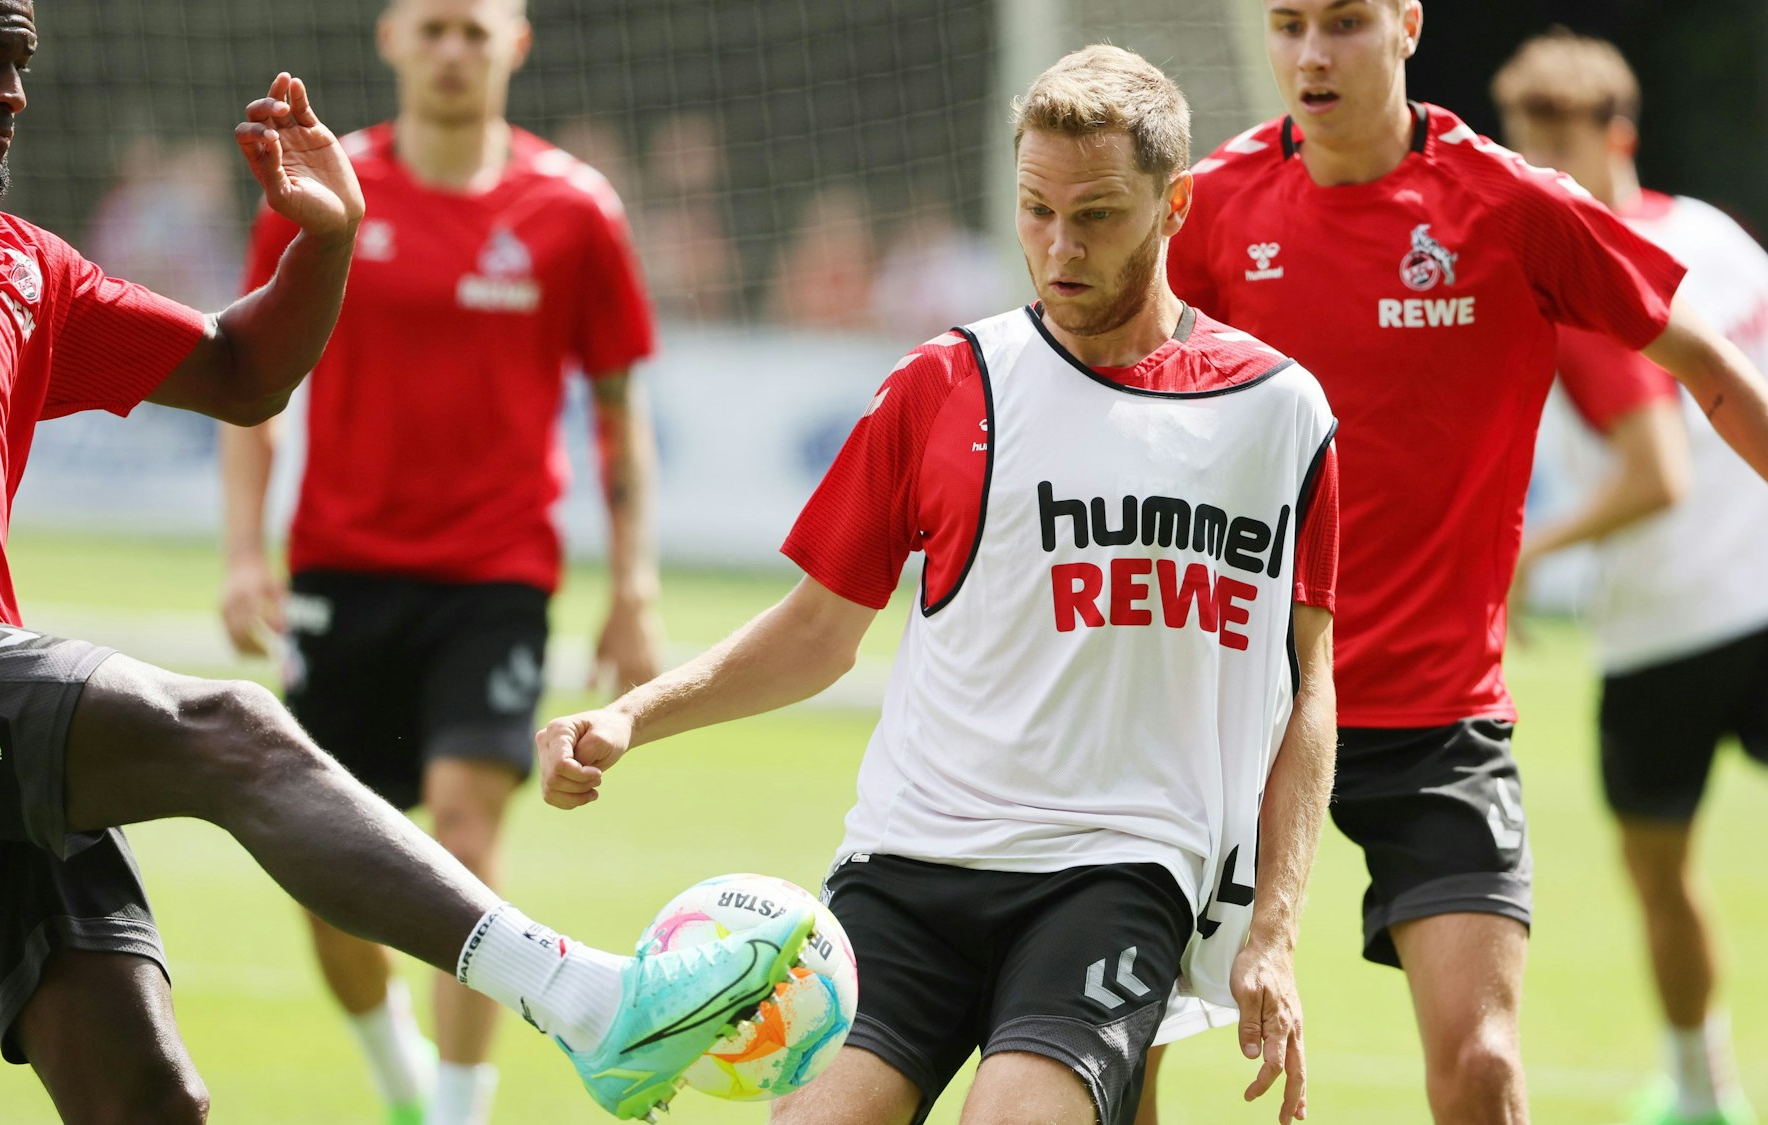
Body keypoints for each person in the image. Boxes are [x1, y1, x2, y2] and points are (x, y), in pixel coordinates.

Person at [0, 2, 808, 1122]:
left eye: (21, 62)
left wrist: (327, 243)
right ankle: (593, 1004)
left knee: (147, 1094)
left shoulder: (23, 264)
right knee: (233, 729)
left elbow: (242, 373)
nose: (13, 92)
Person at [538, 45, 1340, 1125]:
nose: (1059, 247)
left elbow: (1305, 683)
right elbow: (818, 630)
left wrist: (1274, 930)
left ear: (1175, 203)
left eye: (1097, 215)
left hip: (1118, 874)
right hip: (907, 867)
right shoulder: (944, 382)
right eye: (1035, 210)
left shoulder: (1277, 413)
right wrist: (633, 715)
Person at [1145, 3, 1768, 1123]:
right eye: (1287, 24)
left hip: (1435, 720)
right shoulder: (1209, 205)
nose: (1311, 54)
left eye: (1344, 22)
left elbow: (1710, 367)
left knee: (1482, 1065)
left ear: (1406, 25)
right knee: (1122, 1046)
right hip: (1232, 701)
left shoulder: (1511, 206)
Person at [218, 2, 662, 1121]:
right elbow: (252, 378)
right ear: (391, 41)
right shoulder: (323, 193)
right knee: (326, 862)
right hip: (340, 569)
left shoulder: (574, 210)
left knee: (465, 832)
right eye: (434, 29)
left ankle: (458, 1111)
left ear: (516, 44)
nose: (454, 51)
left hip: (496, 576)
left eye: (475, 30)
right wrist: (242, 551)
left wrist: (633, 586)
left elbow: (619, 410)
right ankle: (400, 1079)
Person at [1494, 30, 1768, 1125]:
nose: (1544, 175)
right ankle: (1699, 1091)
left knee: (1658, 869)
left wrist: (1522, 555)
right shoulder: (1711, 230)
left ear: (1616, 136)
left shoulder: (1588, 274)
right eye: (1526, 151)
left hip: (1671, 622)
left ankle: (1701, 1097)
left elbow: (1654, 474)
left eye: (1560, 149)